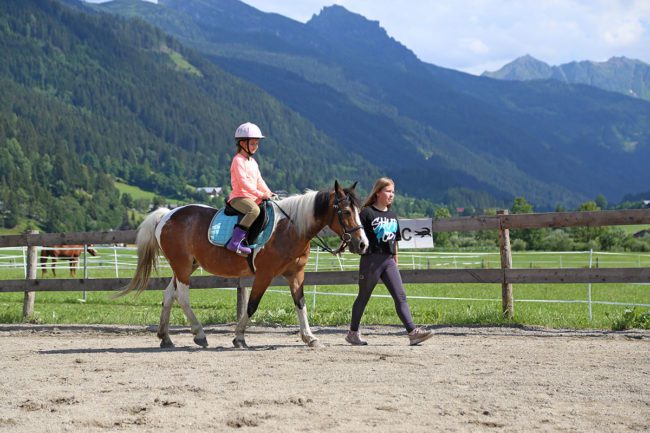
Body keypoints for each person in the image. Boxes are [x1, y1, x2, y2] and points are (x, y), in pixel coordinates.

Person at [346, 177, 433, 346]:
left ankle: (413, 333)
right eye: (388, 191)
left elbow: (395, 240)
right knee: (363, 297)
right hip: (371, 260)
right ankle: (352, 333)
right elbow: (357, 237)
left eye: (393, 192)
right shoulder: (366, 213)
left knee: (400, 296)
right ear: (378, 193)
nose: (391, 195)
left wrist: (395, 259)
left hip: (388, 260)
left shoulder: (392, 215)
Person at [226, 122, 277, 256]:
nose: (256, 147)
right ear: (243, 144)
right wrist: (260, 194)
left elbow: (259, 180)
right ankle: (235, 242)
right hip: (239, 197)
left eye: (257, 144)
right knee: (253, 210)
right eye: (253, 143)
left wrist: (269, 192)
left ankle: (253, 241)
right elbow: (243, 183)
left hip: (252, 197)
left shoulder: (253, 162)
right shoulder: (238, 160)